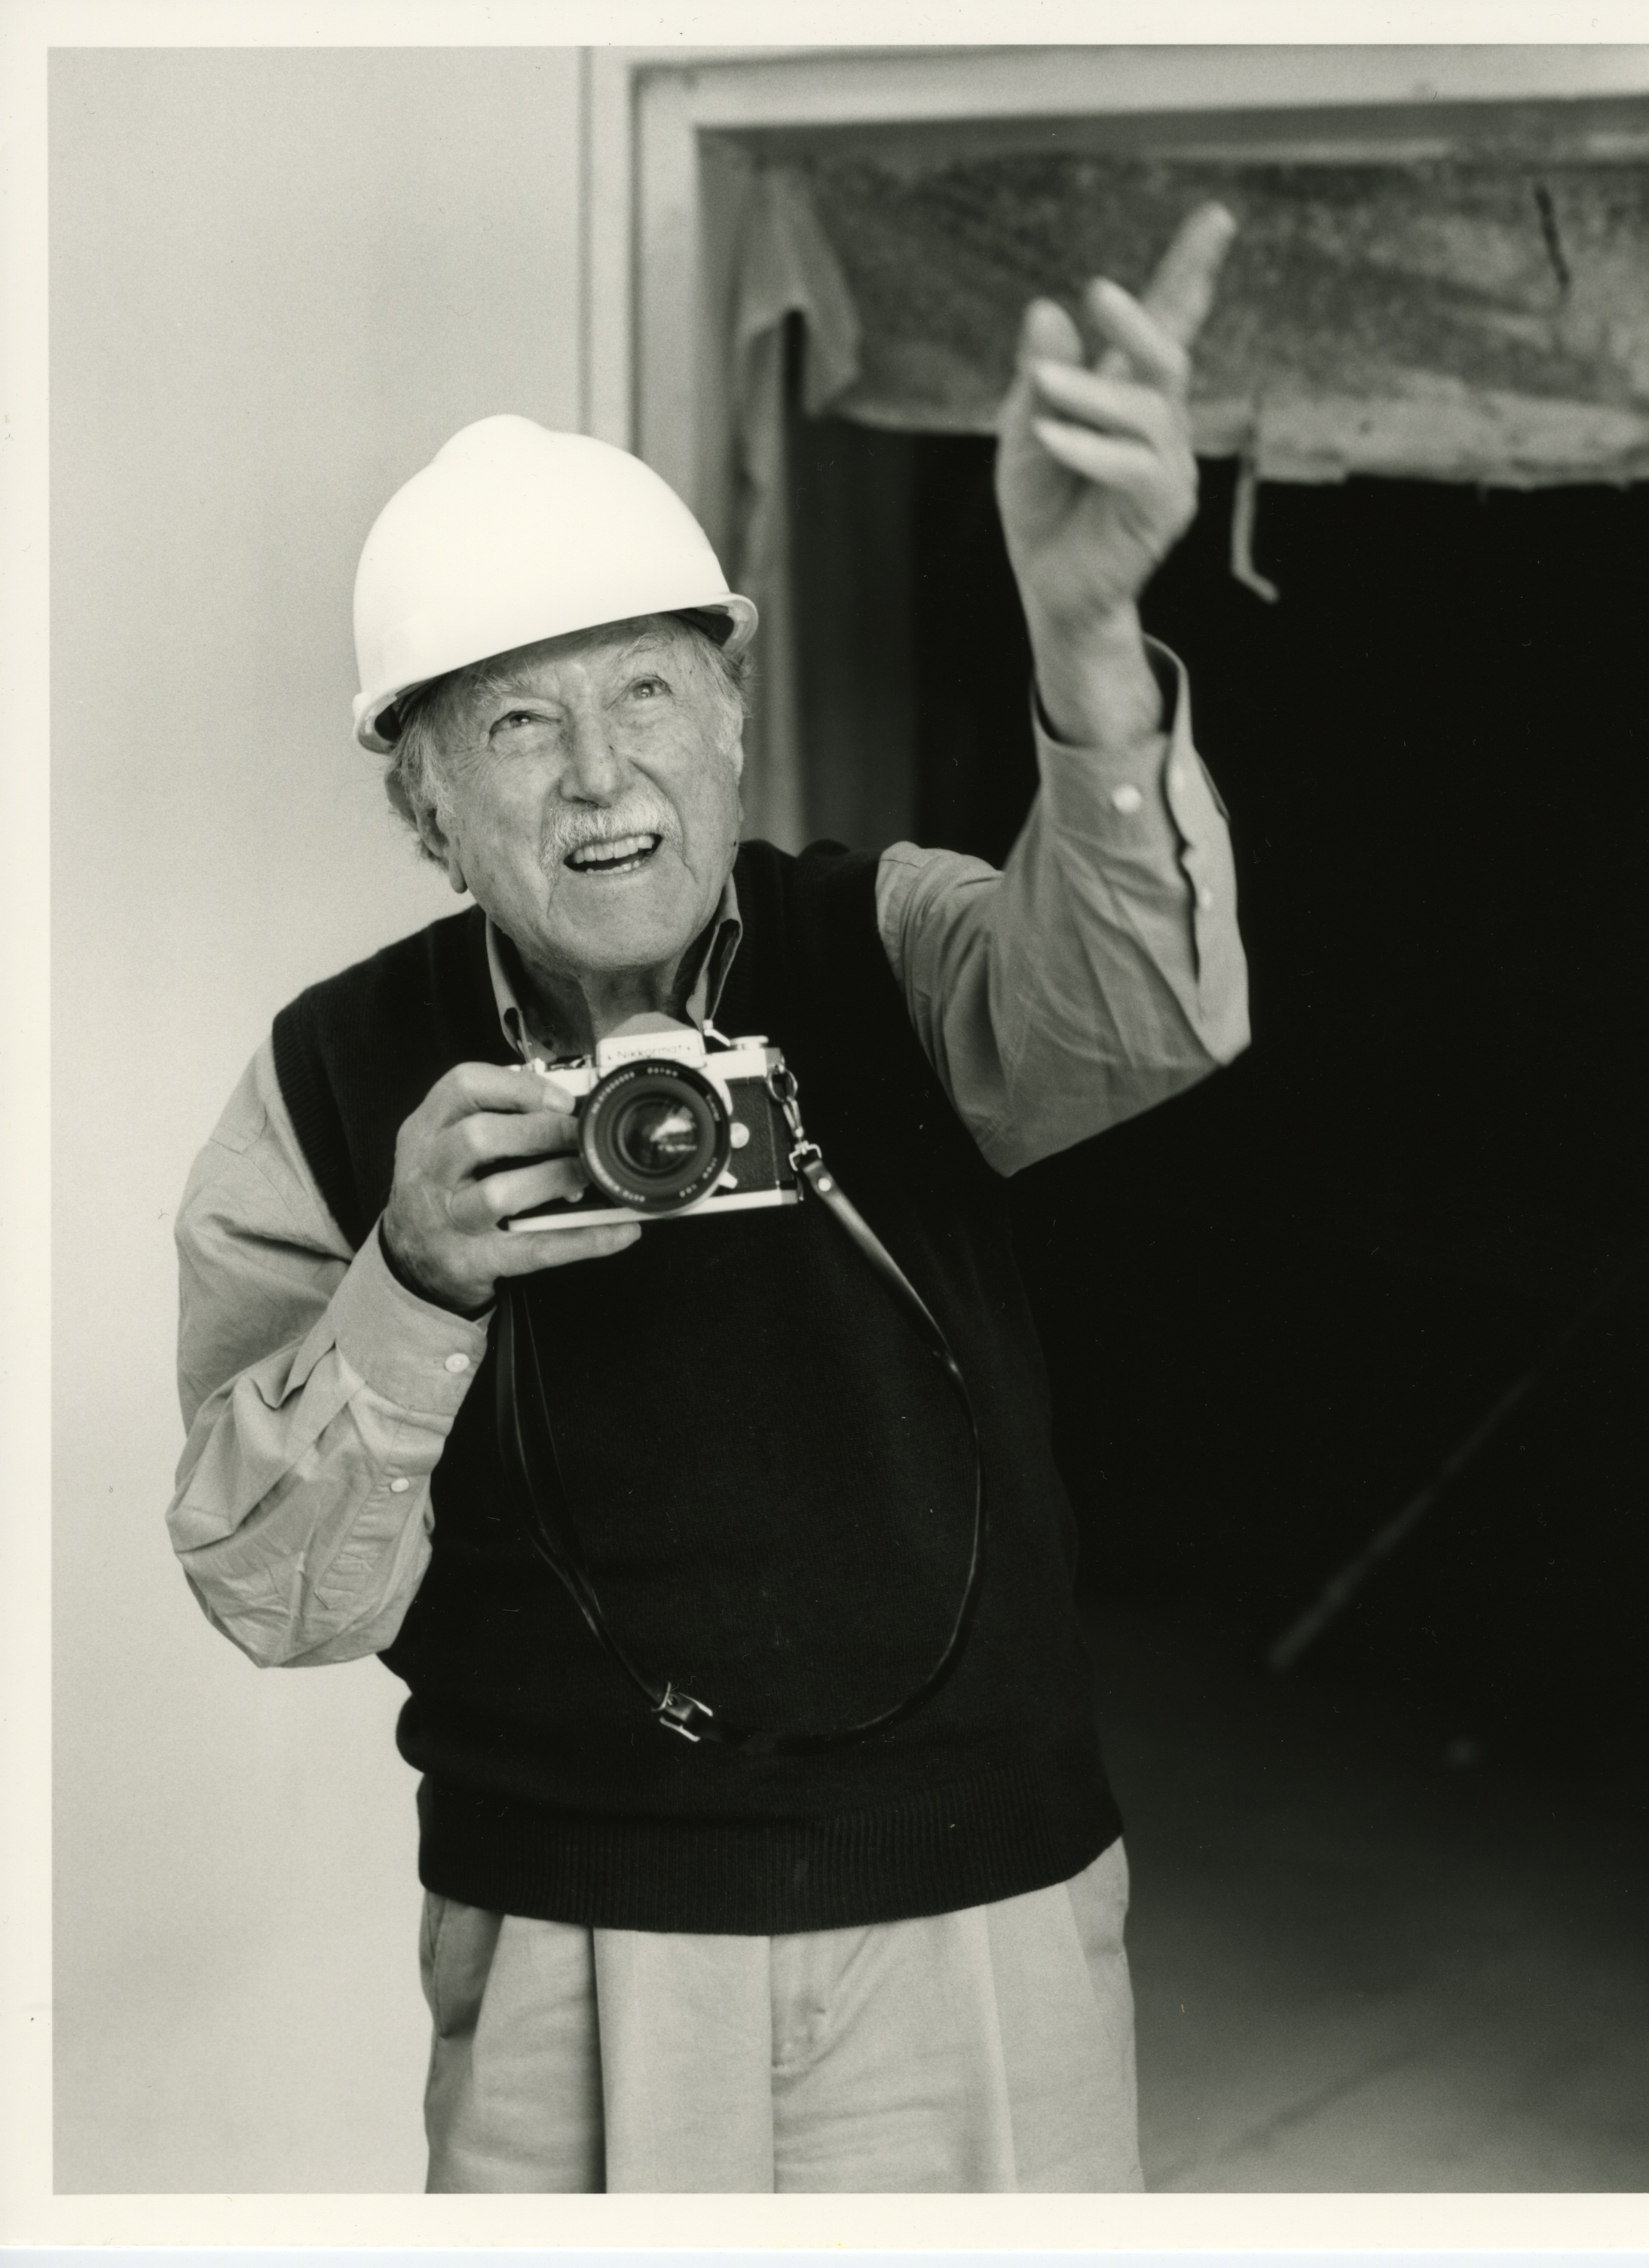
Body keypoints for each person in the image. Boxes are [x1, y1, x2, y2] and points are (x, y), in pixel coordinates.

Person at [167, 204, 1250, 2193]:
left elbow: (1140, 1022)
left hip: (975, 1894)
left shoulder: (890, 941)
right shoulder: (331, 1084)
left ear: (732, 714)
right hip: (579, 1928)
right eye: (515, 724)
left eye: (645, 695)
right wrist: (411, 1279)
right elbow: (271, 1597)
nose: (600, 779)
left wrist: (1086, 642)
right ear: (418, 802)